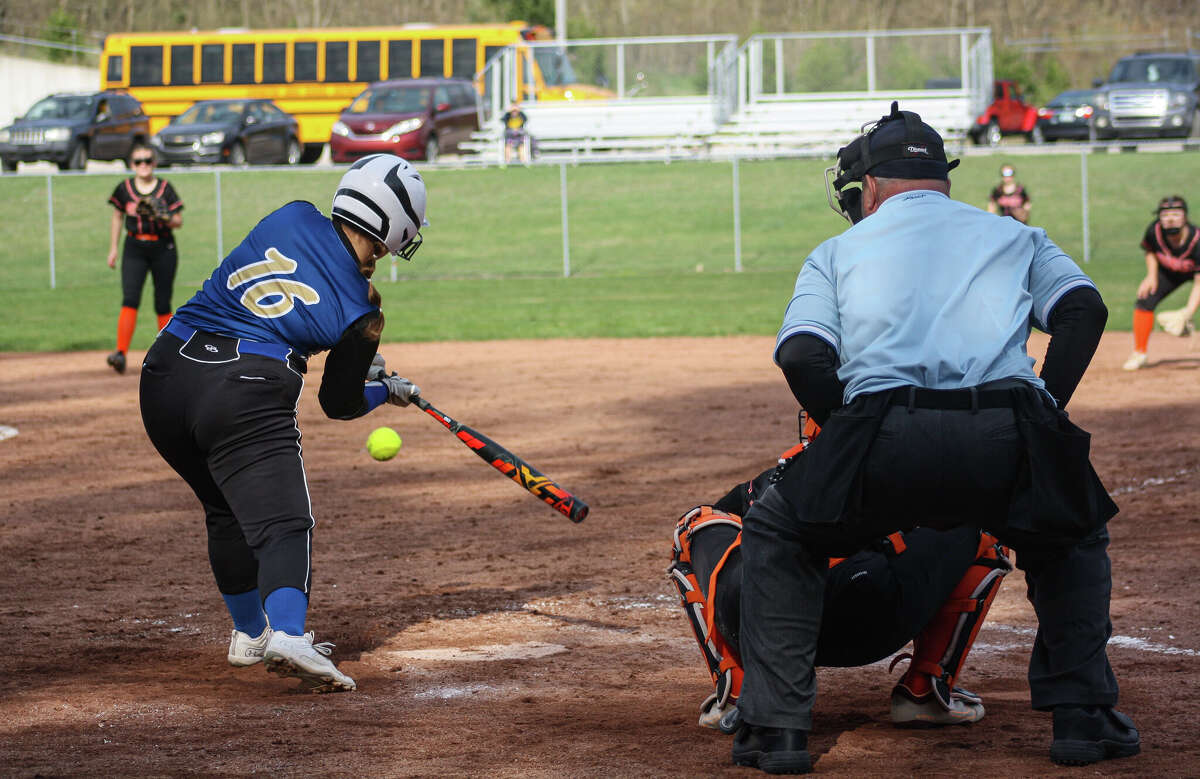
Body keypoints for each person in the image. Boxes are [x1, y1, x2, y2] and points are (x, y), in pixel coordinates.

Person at [732, 102, 1138, 774]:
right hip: (1005, 426)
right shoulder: (1014, 234)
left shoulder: (835, 252)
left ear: (867, 189)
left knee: (780, 533)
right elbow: (1083, 309)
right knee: (1070, 531)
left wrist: (846, 436)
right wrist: (1046, 411)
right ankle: (1083, 719)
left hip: (882, 431)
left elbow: (803, 356)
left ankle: (775, 730)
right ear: (941, 181)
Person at [138, 154, 427, 693]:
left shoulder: (291, 214)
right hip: (242, 394)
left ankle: (249, 634)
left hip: (164, 377)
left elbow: (283, 293)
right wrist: (383, 389)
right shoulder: (365, 310)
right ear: (395, 226)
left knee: (224, 507)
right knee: (285, 523)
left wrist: (359, 355)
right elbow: (339, 404)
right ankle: (288, 635)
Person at [670, 438, 1011, 735]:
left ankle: (738, 693)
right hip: (872, 619)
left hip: (767, 627)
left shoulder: (793, 464)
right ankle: (925, 690)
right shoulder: (920, 454)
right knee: (983, 521)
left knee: (696, 524)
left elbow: (723, 509)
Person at [105, 144, 184, 374]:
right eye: (138, 161)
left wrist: (163, 216)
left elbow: (178, 221)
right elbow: (117, 217)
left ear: (154, 163)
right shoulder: (125, 188)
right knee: (130, 298)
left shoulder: (165, 189)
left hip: (162, 246)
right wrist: (113, 248)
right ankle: (120, 353)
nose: (143, 165)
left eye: (147, 160)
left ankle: (170, 354)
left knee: (162, 302)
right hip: (134, 246)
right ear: (132, 165)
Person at [1123, 195, 1200, 371]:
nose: (1170, 219)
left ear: (1185, 217)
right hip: (1169, 272)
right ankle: (1139, 353)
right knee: (1145, 298)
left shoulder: (1197, 241)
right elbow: (1150, 251)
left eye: (1176, 214)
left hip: (1196, 274)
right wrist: (1151, 276)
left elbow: (1198, 284)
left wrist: (1188, 312)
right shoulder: (1154, 231)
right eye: (1165, 215)